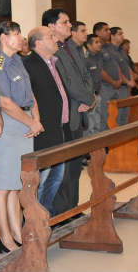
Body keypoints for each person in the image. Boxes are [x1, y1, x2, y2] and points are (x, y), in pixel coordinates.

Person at [0, 21, 43, 253]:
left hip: (25, 120)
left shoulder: (17, 59)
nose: (21, 38)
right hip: (9, 123)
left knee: (14, 183)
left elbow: (30, 93)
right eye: (16, 33)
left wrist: (36, 119)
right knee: (2, 184)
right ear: (3, 38)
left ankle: (17, 232)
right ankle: (4, 237)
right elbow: (4, 102)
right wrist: (30, 121)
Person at [43, 11, 95, 216]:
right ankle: (62, 212)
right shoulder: (53, 50)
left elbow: (85, 75)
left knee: (74, 166)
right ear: (51, 26)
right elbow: (68, 83)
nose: (69, 25)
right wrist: (87, 99)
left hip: (78, 110)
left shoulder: (71, 47)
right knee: (62, 169)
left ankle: (72, 209)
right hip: (66, 114)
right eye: (64, 22)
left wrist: (91, 97)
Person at [22, 27, 68, 217]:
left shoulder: (53, 62)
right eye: (51, 36)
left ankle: (47, 214)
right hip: (42, 129)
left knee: (57, 175)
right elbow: (28, 98)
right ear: (38, 42)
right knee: (43, 176)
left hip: (57, 127)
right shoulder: (29, 64)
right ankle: (35, 219)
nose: (56, 39)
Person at [93, 22, 126, 131]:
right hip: (105, 86)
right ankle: (105, 145)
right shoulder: (96, 47)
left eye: (109, 30)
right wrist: (113, 81)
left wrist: (120, 79)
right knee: (104, 116)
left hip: (117, 85)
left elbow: (117, 65)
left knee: (118, 116)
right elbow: (99, 69)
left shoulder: (110, 47)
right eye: (105, 30)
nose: (108, 32)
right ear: (97, 32)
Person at [83, 34, 103, 136]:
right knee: (90, 124)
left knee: (97, 123)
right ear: (89, 45)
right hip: (90, 96)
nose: (100, 44)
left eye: (100, 42)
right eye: (96, 42)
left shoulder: (98, 57)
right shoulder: (85, 59)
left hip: (98, 93)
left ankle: (97, 147)